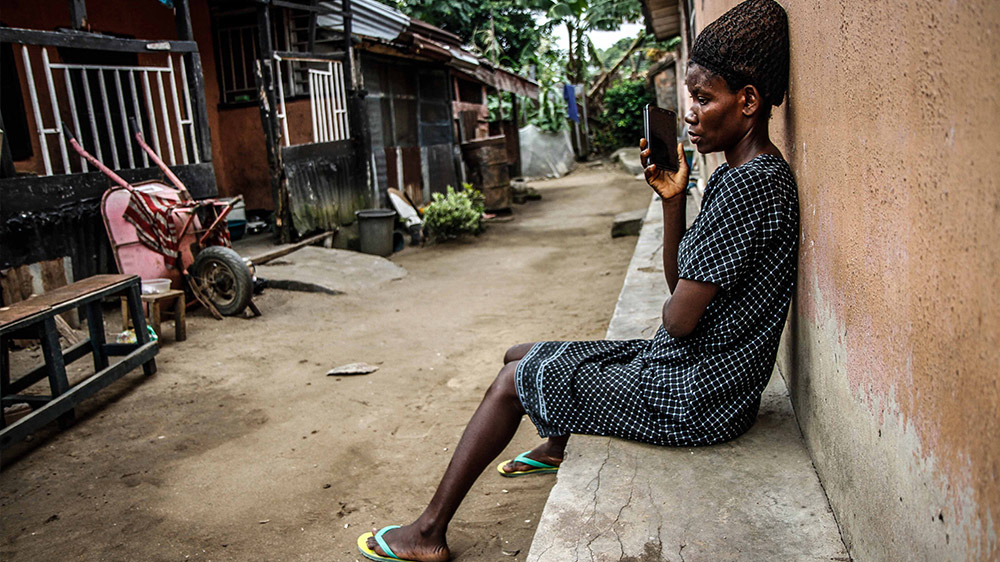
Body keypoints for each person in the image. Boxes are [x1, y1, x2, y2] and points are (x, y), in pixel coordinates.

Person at [358, 1, 797, 560]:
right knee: (522, 353)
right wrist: (672, 201)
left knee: (512, 381)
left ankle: (426, 534)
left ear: (749, 101)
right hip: (697, 373)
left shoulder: (747, 187)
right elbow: (681, 293)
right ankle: (556, 444)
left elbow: (679, 319)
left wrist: (680, 296)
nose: (689, 114)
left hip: (696, 397)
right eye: (691, 97)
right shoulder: (749, 173)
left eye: (704, 98)